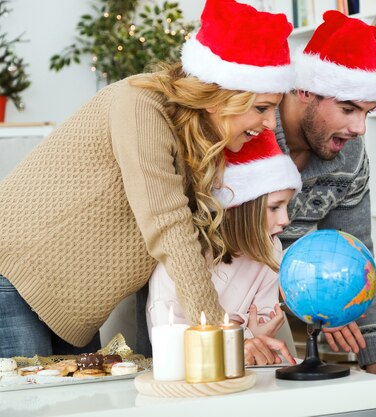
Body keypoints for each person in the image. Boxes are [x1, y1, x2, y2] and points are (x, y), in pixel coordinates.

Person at [0, 0, 295, 358]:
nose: (270, 125)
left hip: (71, 309)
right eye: (261, 108)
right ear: (219, 96)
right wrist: (222, 333)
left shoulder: (208, 139)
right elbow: (169, 227)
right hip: (14, 279)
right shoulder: (141, 105)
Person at [274, 10, 376, 404]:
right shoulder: (252, 134)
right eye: (349, 109)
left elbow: (355, 249)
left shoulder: (350, 157)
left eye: (366, 112)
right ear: (305, 91)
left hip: (268, 303)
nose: (360, 129)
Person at [146, 130, 301, 365]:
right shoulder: (185, 251)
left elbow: (262, 326)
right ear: (241, 208)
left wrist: (248, 337)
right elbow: (171, 335)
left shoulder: (271, 249)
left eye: (286, 206)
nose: (285, 219)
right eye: (274, 207)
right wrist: (244, 336)